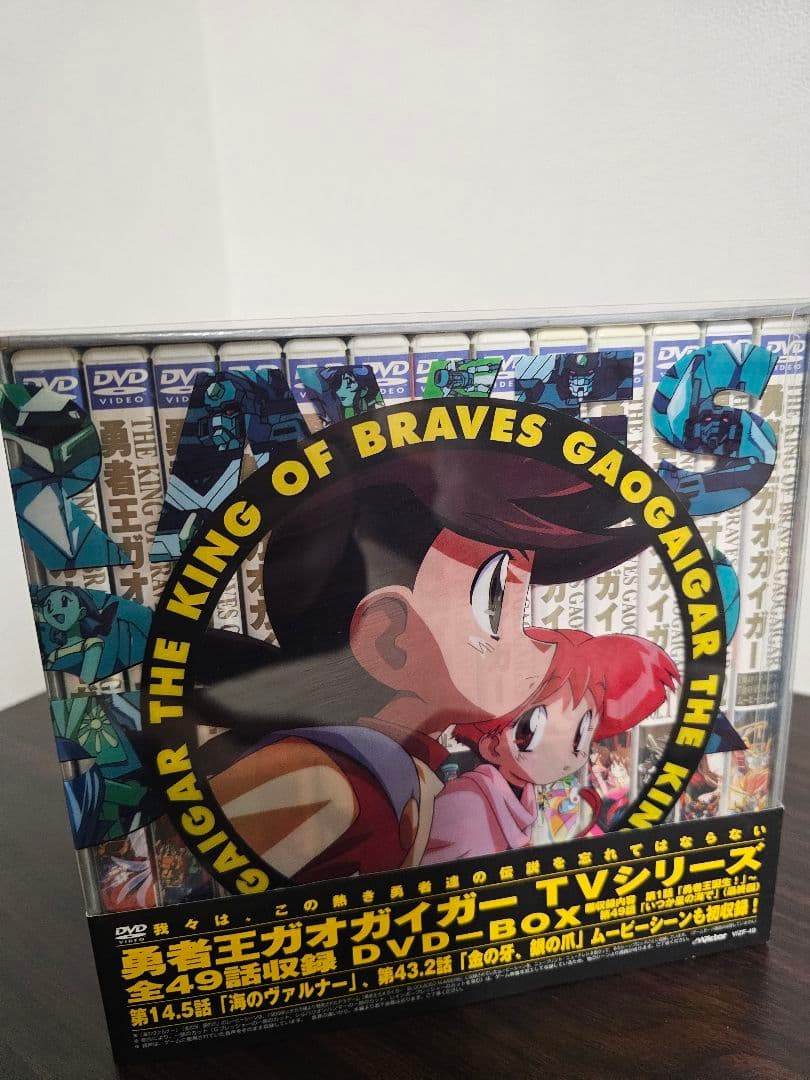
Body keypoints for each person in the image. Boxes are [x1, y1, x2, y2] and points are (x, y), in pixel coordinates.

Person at [191, 440, 654, 883]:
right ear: (390, 639)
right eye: (494, 601)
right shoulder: (315, 778)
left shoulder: (416, 774)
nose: (536, 645)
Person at [422, 629, 679, 862]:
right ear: (491, 745)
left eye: (581, 733)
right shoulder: (467, 804)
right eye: (532, 729)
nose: (564, 751)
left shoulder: (521, 791)